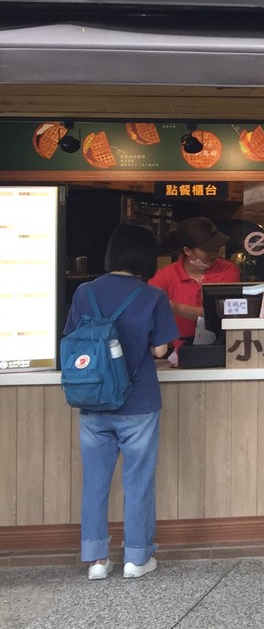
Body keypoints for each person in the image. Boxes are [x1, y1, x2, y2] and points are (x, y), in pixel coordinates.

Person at [66, 223, 179, 580]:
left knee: (95, 481)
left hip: (93, 399)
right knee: (138, 480)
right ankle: (136, 557)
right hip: (138, 401)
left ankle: (96, 560)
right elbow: (160, 350)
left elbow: (74, 337)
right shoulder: (152, 296)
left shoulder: (84, 292)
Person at [148, 217, 242, 350]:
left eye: (216, 246)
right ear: (188, 251)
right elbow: (148, 307)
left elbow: (223, 312)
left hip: (222, 347)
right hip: (176, 351)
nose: (214, 252)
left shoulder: (228, 270)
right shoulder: (166, 276)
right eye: (207, 248)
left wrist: (179, 309)